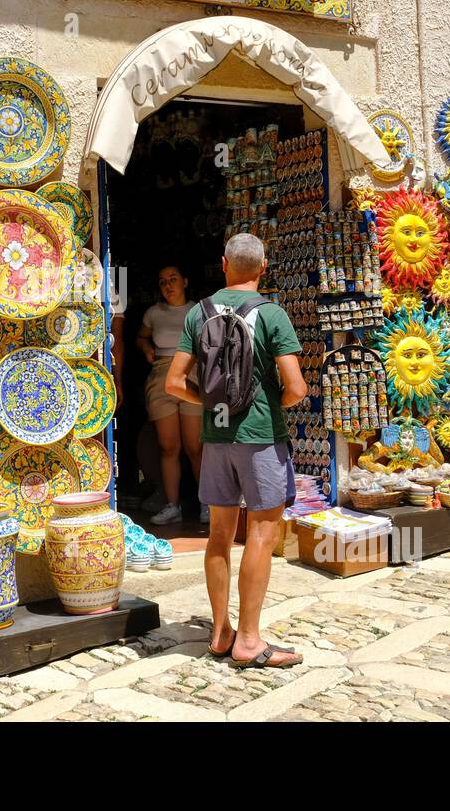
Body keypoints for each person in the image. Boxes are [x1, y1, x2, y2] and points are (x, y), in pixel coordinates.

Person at [164, 233, 308, 669]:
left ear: (224, 264)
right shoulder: (272, 314)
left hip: (215, 438)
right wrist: (268, 411)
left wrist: (213, 406)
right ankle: (248, 640)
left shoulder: (199, 313)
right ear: (263, 268)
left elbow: (174, 383)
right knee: (262, 535)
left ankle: (220, 631)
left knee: (219, 535)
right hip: (260, 439)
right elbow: (297, 388)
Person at [136, 265, 204, 526]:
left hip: (192, 375)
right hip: (162, 376)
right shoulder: (154, 312)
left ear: (185, 281)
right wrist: (146, 348)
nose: (168, 285)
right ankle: (171, 505)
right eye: (163, 281)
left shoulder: (198, 310)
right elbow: (140, 337)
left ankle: (206, 504)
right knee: (168, 447)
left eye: (173, 279)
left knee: (195, 447)